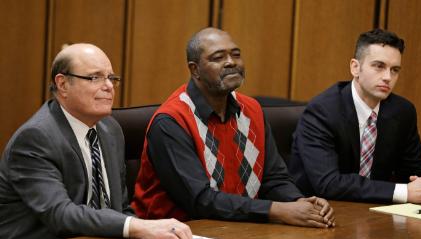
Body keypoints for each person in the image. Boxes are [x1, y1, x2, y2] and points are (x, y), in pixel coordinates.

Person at [0, 43, 192, 239]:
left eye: (111, 78)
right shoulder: (36, 138)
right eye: (95, 78)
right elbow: (61, 214)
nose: (109, 86)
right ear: (62, 84)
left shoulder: (110, 130)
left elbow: (121, 209)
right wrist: (140, 227)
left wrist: (154, 236)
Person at [132, 28, 335, 228]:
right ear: (195, 70)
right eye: (218, 57)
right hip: (172, 238)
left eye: (236, 55)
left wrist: (299, 204)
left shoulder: (252, 109)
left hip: (238, 231)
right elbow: (200, 201)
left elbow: (274, 178)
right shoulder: (171, 121)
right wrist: (277, 211)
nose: (231, 62)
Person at [289, 29, 421, 204]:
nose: (388, 77)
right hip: (318, 212)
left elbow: (418, 167)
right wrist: (404, 192)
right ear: (355, 67)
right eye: (379, 66)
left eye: (395, 70)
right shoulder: (322, 111)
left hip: (373, 212)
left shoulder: (402, 111)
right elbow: (329, 183)